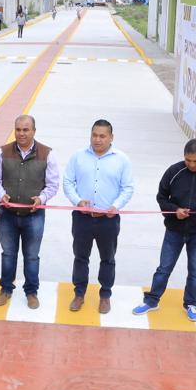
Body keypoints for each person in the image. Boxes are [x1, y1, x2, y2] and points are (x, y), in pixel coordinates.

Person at [132, 139, 196, 322]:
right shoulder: (174, 171)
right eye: (188, 160)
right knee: (164, 268)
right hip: (174, 230)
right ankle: (152, 300)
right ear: (184, 157)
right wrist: (175, 211)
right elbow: (161, 197)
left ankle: (191, 303)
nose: (192, 164)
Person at [0, 114, 60, 310]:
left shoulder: (47, 154)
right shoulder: (2, 153)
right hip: (7, 215)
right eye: (18, 129)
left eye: (26, 129)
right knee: (8, 254)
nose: (21, 133)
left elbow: (53, 185)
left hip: (34, 216)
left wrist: (42, 198)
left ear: (34, 131)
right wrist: (1, 195)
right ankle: (6, 289)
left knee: (32, 256)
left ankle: (31, 292)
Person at [62, 120, 134, 314]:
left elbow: (127, 188)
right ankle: (79, 294)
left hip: (108, 220)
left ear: (111, 137)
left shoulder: (122, 160)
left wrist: (115, 206)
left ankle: (105, 295)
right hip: (82, 218)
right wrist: (78, 201)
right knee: (80, 257)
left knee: (108, 258)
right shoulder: (78, 157)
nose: (97, 139)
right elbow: (68, 181)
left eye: (102, 136)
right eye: (94, 135)